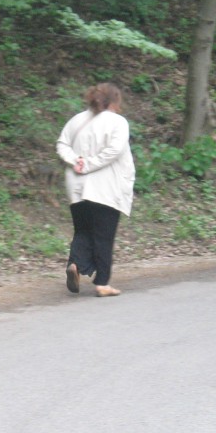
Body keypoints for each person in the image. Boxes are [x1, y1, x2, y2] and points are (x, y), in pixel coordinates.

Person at [56, 82, 135, 297]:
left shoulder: (77, 120)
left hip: (77, 188)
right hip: (105, 187)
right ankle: (102, 283)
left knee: (83, 230)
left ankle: (75, 266)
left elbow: (62, 144)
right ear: (114, 101)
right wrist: (89, 164)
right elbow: (115, 150)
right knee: (103, 236)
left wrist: (75, 161)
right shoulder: (118, 122)